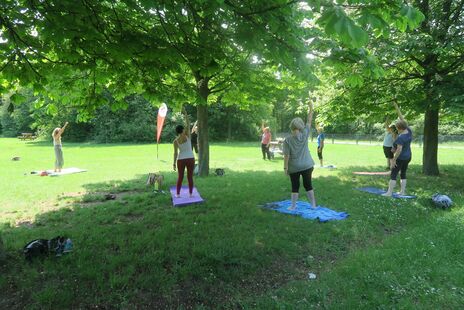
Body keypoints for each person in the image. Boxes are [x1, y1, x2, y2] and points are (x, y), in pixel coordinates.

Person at [283, 102, 317, 210]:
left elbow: (286, 156)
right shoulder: (305, 133)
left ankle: (293, 206)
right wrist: (311, 108)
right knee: (308, 185)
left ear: (292, 127)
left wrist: (285, 168)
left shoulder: (287, 140)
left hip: (294, 167)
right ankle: (313, 205)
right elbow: (309, 120)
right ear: (300, 126)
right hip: (307, 165)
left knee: (295, 187)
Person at [382, 102, 413, 197]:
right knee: (403, 173)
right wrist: (396, 107)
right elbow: (402, 118)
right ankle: (402, 192)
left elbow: (399, 150)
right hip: (408, 157)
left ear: (399, 128)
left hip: (400, 158)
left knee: (394, 174)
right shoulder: (409, 131)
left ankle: (389, 193)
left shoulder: (400, 138)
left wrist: (393, 160)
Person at [173, 108, 195, 198]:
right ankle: (190, 194)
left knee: (180, 177)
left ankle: (177, 194)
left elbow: (175, 153)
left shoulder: (175, 141)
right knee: (190, 177)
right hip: (190, 159)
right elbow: (188, 123)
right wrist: (185, 113)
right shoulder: (187, 136)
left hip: (181, 160)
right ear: (183, 130)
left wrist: (174, 163)